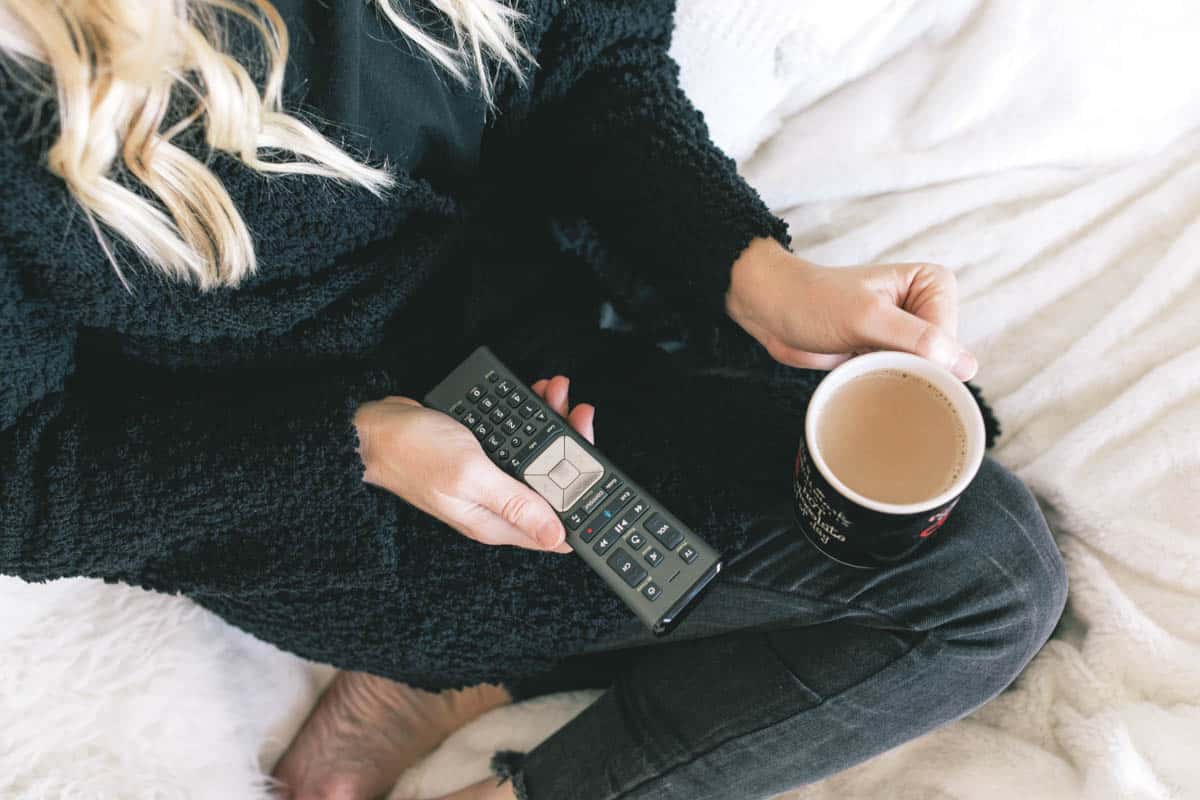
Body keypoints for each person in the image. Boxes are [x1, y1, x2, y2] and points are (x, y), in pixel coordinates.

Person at [0, 1, 1067, 799]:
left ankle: (478, 674)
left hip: (569, 310)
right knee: (990, 582)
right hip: (338, 491)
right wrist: (358, 443)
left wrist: (746, 268)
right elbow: (21, 479)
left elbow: (595, 57)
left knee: (935, 456)